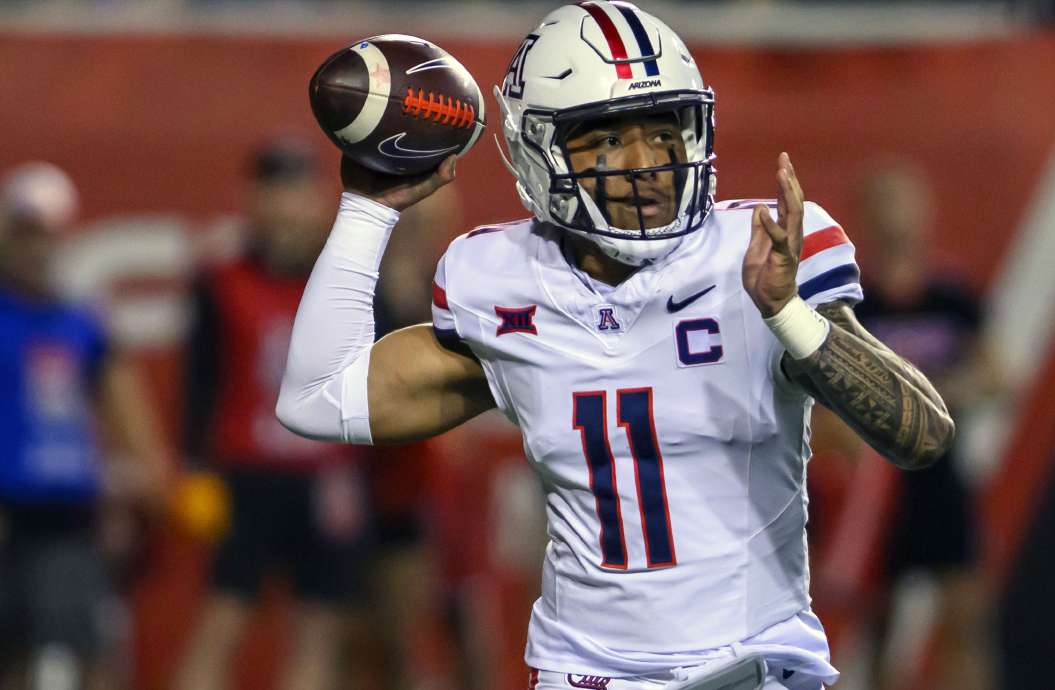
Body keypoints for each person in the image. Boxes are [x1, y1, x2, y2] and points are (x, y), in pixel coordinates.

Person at [276, 3, 953, 689]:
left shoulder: (754, 256)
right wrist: (367, 209)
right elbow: (317, 397)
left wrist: (787, 315)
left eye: (664, 133)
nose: (645, 165)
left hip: (752, 666)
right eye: (605, 139)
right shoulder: (500, 281)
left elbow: (922, 434)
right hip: (587, 675)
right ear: (539, 152)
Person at [173, 138, 371, 690]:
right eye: (275, 193)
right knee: (223, 617)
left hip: (327, 474)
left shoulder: (344, 280)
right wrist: (193, 466)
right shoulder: (222, 280)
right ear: (252, 200)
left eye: (298, 193)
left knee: (319, 626)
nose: (287, 207)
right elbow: (200, 379)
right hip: (249, 470)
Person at [0, 162, 170, 690]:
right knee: (13, 654)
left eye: (46, 235)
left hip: (74, 513)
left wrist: (151, 477)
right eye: (25, 234)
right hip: (8, 512)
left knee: (92, 653)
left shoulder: (82, 322)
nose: (36, 249)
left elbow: (125, 406)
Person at [850, 163, 1000, 690]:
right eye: (885, 204)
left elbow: (995, 373)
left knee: (965, 615)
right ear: (864, 217)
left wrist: (943, 394)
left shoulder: (951, 295)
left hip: (938, 473)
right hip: (875, 486)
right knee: (880, 623)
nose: (897, 218)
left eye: (905, 203)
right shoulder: (851, 302)